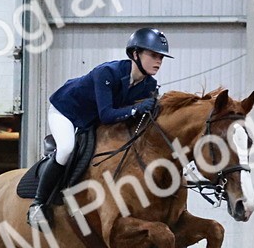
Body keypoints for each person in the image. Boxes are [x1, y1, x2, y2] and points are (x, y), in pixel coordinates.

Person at [27, 27, 171, 230]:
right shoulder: (107, 73)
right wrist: (137, 108)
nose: (158, 61)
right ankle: (38, 204)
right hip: (67, 111)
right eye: (153, 55)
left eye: (161, 58)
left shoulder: (149, 85)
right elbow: (107, 114)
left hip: (92, 120)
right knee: (67, 149)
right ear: (135, 54)